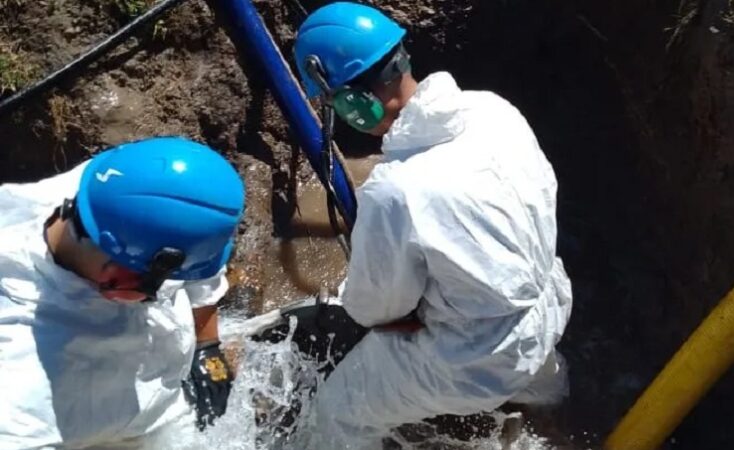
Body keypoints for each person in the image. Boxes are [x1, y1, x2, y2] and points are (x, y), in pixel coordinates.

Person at [290, 2, 574, 448]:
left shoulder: (394, 190)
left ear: (354, 104)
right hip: (547, 309)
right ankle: (556, 418)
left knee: (339, 412)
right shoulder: (492, 109)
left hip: (474, 359)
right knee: (538, 379)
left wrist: (406, 313)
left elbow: (373, 310)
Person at [0, 137, 245, 449]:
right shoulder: (20, 382)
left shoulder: (111, 190)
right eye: (156, 286)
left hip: (162, 406)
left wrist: (207, 345)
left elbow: (199, 266)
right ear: (117, 279)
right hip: (106, 433)